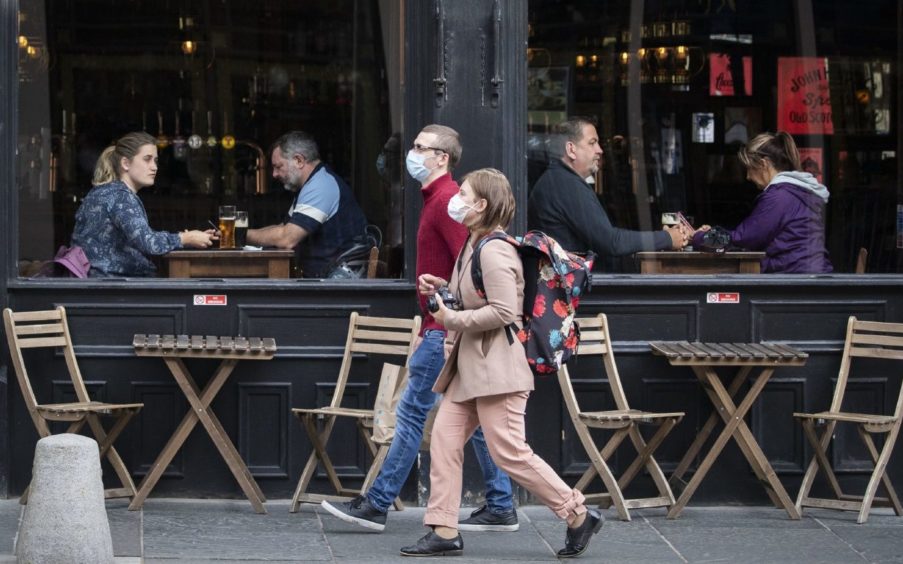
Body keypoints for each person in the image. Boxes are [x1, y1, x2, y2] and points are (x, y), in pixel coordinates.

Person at [321, 125, 518, 533]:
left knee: (410, 413)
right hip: (441, 326)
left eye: (418, 147)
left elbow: (472, 262)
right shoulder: (437, 199)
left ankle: (377, 503)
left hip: (443, 327)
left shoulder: (447, 200)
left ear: (441, 157)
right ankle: (501, 503)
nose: (411, 154)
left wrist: (441, 321)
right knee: (475, 418)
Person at [400, 168, 603, 558]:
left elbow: (505, 311)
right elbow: (477, 295)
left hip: (497, 370)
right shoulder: (473, 243)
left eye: (464, 193)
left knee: (509, 452)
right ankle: (443, 530)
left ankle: (577, 513)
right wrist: (443, 288)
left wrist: (451, 320)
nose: (456, 199)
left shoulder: (494, 249)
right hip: (470, 369)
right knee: (443, 441)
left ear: (481, 205)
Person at [528, 117, 687, 261]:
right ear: (571, 149)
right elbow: (611, 242)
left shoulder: (559, 180)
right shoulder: (566, 185)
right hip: (569, 290)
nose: (600, 150)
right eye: (592, 143)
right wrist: (666, 238)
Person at [71, 131, 215, 277]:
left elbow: (138, 239)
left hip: (99, 283)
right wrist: (185, 238)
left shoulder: (106, 191)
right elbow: (148, 243)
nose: (154, 167)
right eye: (147, 159)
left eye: (155, 161)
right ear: (125, 163)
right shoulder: (120, 196)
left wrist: (188, 238)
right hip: (110, 288)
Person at [692, 131, 833, 273]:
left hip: (795, 281)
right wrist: (712, 233)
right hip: (808, 277)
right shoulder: (797, 192)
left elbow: (744, 239)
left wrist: (698, 238)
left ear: (763, 164)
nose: (748, 176)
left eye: (749, 168)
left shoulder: (779, 197)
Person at [246, 131, 368, 278]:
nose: (274, 174)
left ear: (299, 160)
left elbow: (287, 238)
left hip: (337, 286)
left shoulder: (321, 185)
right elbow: (283, 228)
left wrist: (240, 235)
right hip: (326, 281)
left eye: (278, 166)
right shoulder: (311, 185)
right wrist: (241, 234)